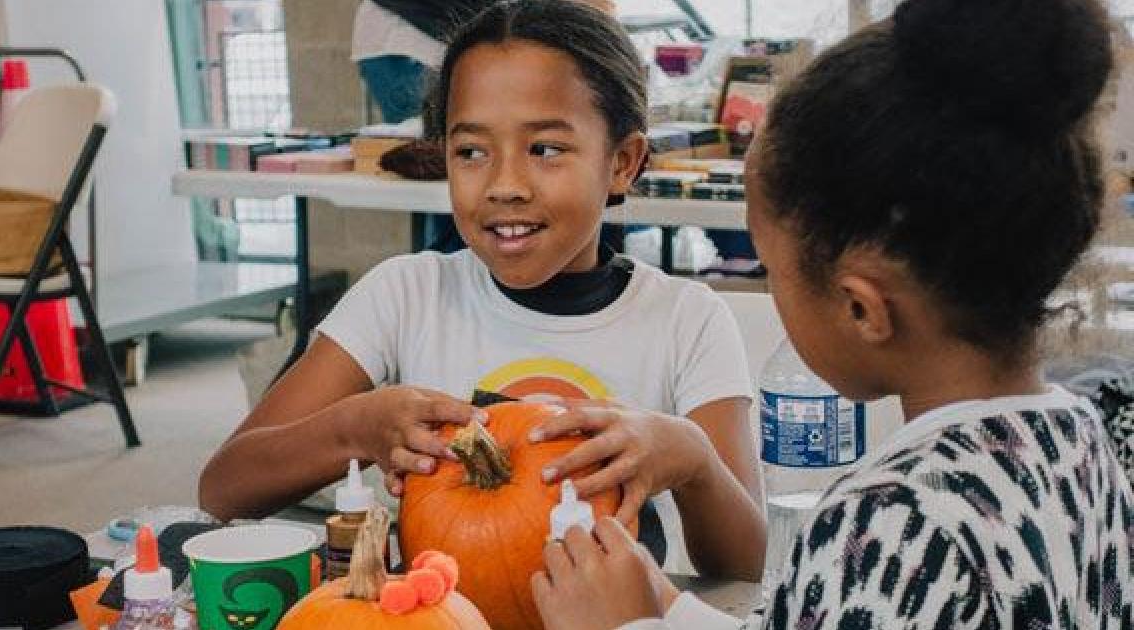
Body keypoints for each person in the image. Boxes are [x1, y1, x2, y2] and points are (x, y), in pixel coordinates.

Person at [530, 0, 1134, 627]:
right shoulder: (1078, 436)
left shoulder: (896, 521)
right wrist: (671, 610)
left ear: (861, 307)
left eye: (774, 271)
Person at [200, 0, 766, 579]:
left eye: (545, 149)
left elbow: (748, 564)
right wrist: (355, 428)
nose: (504, 186)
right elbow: (224, 489)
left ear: (622, 162)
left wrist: (694, 461)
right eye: (471, 151)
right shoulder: (404, 294)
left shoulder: (686, 320)